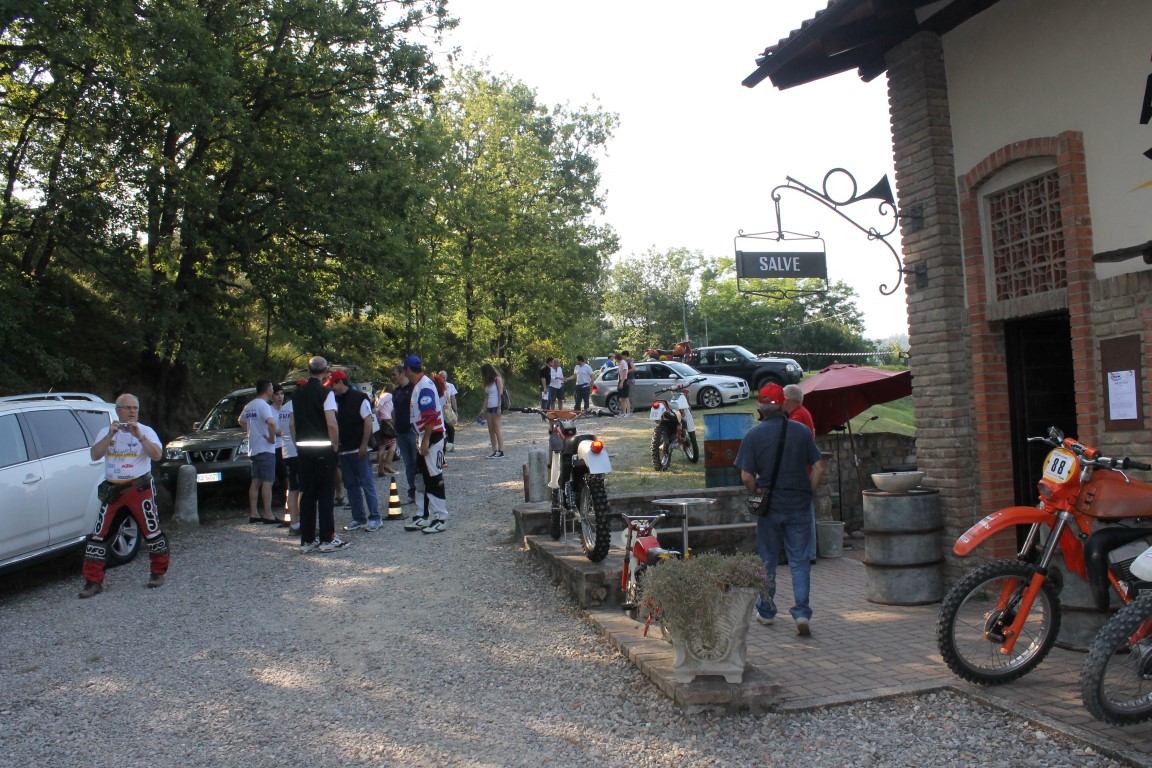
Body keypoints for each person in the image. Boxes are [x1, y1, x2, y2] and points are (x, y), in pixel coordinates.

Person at [734, 383, 825, 636]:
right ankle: (802, 613)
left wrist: (756, 493)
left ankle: (766, 611)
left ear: (760, 408)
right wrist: (809, 492)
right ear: (783, 404)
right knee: (800, 561)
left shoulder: (753, 435)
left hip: (770, 506)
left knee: (768, 560)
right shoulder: (801, 431)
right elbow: (819, 467)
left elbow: (746, 476)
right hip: (798, 504)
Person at [79, 394, 169, 598]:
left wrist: (140, 437)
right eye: (127, 408)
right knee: (99, 535)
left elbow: (157, 455)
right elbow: (95, 454)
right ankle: (93, 581)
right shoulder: (106, 431)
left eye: (135, 408)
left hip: (139, 489)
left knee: (152, 531)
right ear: (118, 410)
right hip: (114, 490)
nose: (132, 411)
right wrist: (110, 435)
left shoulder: (146, 431)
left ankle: (158, 572)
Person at [290, 356, 349, 553]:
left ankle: (307, 540)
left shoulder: (297, 394)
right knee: (325, 493)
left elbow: (292, 423)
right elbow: (331, 423)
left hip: (303, 449)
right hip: (323, 449)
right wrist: (335, 445)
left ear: (308, 371)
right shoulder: (326, 393)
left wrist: (297, 443)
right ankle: (327, 538)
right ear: (326, 372)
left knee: (307, 494)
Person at [401, 355, 450, 533]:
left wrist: (426, 440)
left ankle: (440, 517)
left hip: (432, 436)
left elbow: (431, 417)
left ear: (408, 370)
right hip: (424, 436)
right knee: (421, 477)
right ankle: (423, 515)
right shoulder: (419, 385)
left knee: (434, 477)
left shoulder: (425, 386)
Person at [330, 370, 382, 532]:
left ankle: (375, 517)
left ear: (340, 382)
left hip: (359, 448)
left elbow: (368, 421)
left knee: (367, 483)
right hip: (344, 449)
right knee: (351, 485)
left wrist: (364, 444)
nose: (332, 388)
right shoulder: (335, 400)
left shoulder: (359, 398)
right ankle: (358, 517)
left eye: (333, 384)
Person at [782, 383, 818, 563]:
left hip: (799, 473)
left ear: (787, 400)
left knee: (802, 515)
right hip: (803, 471)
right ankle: (807, 553)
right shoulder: (802, 414)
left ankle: (807, 554)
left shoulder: (797, 418)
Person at [239, 379, 279, 524]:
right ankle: (268, 514)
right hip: (265, 448)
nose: (273, 390)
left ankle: (254, 513)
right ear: (267, 390)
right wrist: (272, 437)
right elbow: (271, 422)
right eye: (271, 388)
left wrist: (250, 431)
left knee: (256, 481)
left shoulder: (249, 406)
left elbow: (241, 421)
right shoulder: (264, 406)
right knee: (268, 481)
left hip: (254, 448)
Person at [273, 383, 301, 529]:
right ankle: (300, 518)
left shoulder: (284, 408)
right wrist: (297, 444)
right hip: (296, 450)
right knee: (302, 486)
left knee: (292, 486)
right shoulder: (297, 405)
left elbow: (280, 428)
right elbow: (292, 425)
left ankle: (292, 520)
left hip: (286, 450)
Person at [391, 364, 418, 505]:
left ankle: (422, 491)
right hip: (400, 432)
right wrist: (394, 426)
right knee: (408, 464)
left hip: (412, 432)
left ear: (402, 373)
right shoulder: (396, 391)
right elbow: (394, 410)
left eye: (394, 374)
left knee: (417, 462)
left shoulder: (414, 388)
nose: (392, 377)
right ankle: (412, 492)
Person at [478, 362, 505, 458]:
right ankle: (494, 450)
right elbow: (487, 396)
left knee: (497, 429)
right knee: (491, 430)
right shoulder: (487, 382)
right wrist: (483, 409)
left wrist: (499, 407)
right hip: (489, 407)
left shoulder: (497, 379)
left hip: (496, 406)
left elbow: (500, 394)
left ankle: (501, 451)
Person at [374, 383, 397, 476]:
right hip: (386, 421)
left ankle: (380, 469)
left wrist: (376, 412)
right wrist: (377, 410)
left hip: (378, 423)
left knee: (382, 446)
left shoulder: (378, 396)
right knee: (393, 443)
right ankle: (388, 464)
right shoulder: (388, 395)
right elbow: (379, 406)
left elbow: (377, 406)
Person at [438, 370, 459, 452]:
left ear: (446, 377)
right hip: (439, 412)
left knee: (450, 429)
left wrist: (455, 410)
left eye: (444, 377)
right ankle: (443, 446)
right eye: (441, 377)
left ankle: (451, 445)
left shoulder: (450, 386)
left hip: (447, 411)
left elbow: (453, 399)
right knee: (442, 430)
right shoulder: (435, 386)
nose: (443, 379)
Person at [616, 350, 634, 416]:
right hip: (621, 380)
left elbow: (625, 372)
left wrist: (622, 382)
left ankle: (628, 412)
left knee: (626, 398)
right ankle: (624, 412)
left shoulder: (624, 363)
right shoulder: (621, 363)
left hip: (624, 380)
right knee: (622, 398)